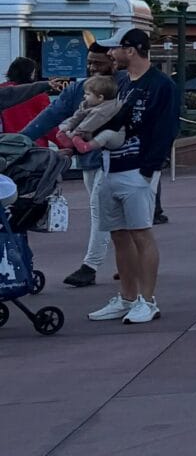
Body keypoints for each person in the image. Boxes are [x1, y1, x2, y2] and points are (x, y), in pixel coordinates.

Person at [89, 27, 177, 324]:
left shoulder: (161, 85)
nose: (110, 54)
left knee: (141, 232)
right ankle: (127, 297)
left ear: (131, 50)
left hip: (137, 170)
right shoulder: (123, 83)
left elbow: (166, 129)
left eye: (115, 49)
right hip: (112, 166)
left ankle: (147, 300)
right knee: (118, 233)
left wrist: (149, 169)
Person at [20, 43, 118, 289]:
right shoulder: (79, 89)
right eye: (90, 62)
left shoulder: (123, 85)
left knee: (99, 210)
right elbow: (51, 115)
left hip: (116, 160)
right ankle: (126, 260)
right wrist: (20, 141)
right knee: (108, 213)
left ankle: (91, 265)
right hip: (90, 159)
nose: (92, 67)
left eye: (98, 62)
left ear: (113, 61)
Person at [0, 57, 48, 134]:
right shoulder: (39, 95)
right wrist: (62, 143)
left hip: (7, 141)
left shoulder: (3, 91)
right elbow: (48, 121)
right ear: (30, 73)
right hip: (33, 142)